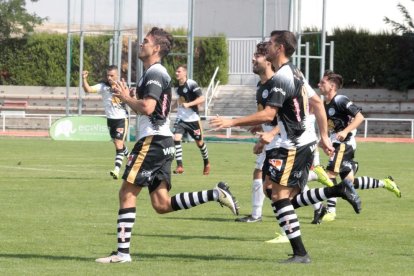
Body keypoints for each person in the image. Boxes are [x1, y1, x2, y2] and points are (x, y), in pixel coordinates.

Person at [210, 30, 361, 264]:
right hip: (296, 142)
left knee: (280, 197)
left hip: (293, 144)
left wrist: (231, 122)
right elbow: (317, 103)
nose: (266, 47)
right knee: (273, 191)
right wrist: (322, 136)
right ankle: (335, 192)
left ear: (279, 48)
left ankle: (301, 252)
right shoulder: (295, 72)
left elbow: (270, 112)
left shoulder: (282, 77)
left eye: (270, 43)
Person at [95, 27, 239, 264]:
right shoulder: (151, 74)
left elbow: (149, 108)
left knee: (126, 193)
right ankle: (215, 193)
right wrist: (129, 96)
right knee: (162, 204)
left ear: (157, 48)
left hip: (152, 141)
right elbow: (148, 108)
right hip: (163, 140)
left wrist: (126, 97)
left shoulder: (154, 73)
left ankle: (122, 254)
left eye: (146, 41)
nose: (141, 44)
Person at [317, 70, 401, 222]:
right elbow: (330, 127)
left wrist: (345, 131)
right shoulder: (324, 104)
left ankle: (330, 210)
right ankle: (386, 183)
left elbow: (360, 117)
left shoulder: (340, 100)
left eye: (322, 82)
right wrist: (323, 142)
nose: (319, 85)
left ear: (332, 85)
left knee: (329, 174)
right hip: (338, 144)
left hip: (344, 144)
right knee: (349, 182)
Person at [82, 66, 129, 180]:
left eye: (112, 75)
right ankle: (132, 158)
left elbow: (128, 97)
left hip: (121, 119)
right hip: (110, 120)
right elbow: (88, 89)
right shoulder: (103, 87)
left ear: (117, 75)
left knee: (118, 144)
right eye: (108, 75)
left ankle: (116, 170)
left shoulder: (121, 86)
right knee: (119, 145)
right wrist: (84, 79)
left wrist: (122, 91)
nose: (109, 78)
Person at [172, 64, 210, 175]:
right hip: (181, 119)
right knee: (176, 138)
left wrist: (189, 104)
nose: (176, 73)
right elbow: (179, 100)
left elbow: (202, 98)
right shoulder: (176, 86)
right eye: (176, 71)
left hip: (193, 119)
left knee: (199, 143)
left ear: (185, 73)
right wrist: (168, 109)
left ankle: (206, 162)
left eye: (179, 71)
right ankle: (180, 166)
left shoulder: (191, 84)